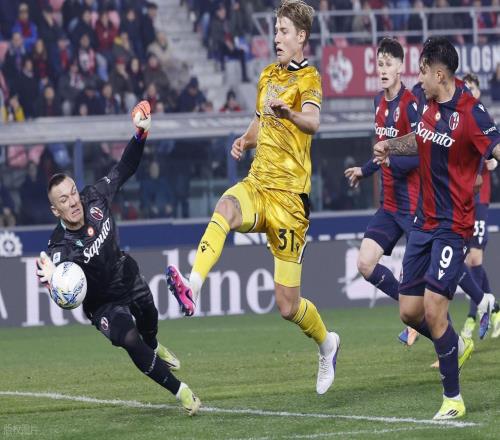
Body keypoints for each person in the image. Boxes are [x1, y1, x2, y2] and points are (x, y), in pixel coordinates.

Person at [166, 0, 340, 395]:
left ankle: (327, 344)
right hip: (259, 184)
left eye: (284, 31)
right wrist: (246, 140)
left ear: (301, 37)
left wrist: (289, 114)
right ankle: (194, 284)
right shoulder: (267, 76)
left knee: (287, 306)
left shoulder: (309, 78)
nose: (277, 37)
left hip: (290, 202)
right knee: (225, 207)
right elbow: (261, 120)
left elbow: (313, 121)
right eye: (275, 30)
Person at [35, 101, 200, 416]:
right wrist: (50, 281)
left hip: (126, 274)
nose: (73, 202)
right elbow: (58, 285)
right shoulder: (59, 248)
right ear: (55, 210)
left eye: (72, 193)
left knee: (150, 321)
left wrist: (140, 134)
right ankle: (181, 392)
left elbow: (125, 168)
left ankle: (155, 345)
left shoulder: (95, 197)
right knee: (130, 339)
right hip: (103, 305)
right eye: (64, 200)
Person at [373, 37, 500, 420]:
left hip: (452, 226)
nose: (419, 78)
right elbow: (420, 140)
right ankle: (455, 343)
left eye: (423, 71)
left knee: (433, 309)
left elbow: (495, 148)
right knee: (409, 312)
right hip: (422, 221)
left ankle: (453, 400)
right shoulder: (428, 107)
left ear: (440, 74)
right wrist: (391, 147)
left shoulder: (472, 112)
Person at [344, 38, 420, 346]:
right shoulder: (377, 102)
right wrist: (364, 170)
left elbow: (421, 155)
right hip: (389, 206)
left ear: (401, 67)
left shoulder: (411, 104)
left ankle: (448, 340)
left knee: (424, 286)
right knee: (365, 263)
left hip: (414, 207)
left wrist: (391, 161)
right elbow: (381, 152)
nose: (383, 69)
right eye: (380, 64)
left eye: (389, 64)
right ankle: (413, 312)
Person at [459, 73, 500, 339]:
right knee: (468, 261)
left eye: (472, 87)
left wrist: (486, 156)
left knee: (474, 259)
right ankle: (493, 308)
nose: (469, 91)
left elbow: (493, 161)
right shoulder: (460, 120)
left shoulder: (482, 120)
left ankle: (473, 317)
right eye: (466, 87)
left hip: (480, 200)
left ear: (479, 92)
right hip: (462, 201)